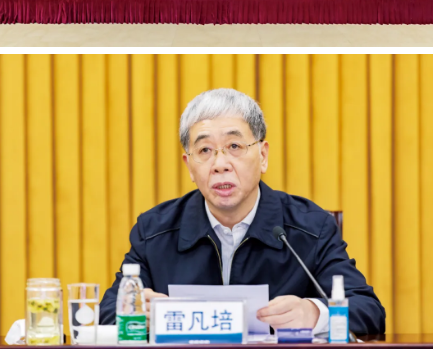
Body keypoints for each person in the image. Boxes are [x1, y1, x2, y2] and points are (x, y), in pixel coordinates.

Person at [100, 88, 386, 336]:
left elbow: (369, 311)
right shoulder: (154, 230)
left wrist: (314, 312)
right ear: (189, 166)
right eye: (205, 150)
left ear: (262, 156)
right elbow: (107, 313)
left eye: (234, 146)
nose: (220, 164)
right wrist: (136, 312)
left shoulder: (311, 227)